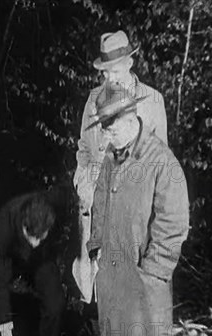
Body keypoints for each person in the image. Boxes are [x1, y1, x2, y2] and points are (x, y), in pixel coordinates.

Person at [86, 84, 189, 336]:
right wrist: (95, 245)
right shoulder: (111, 158)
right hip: (112, 270)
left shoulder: (161, 161)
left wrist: (154, 271)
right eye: (102, 128)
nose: (106, 134)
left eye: (111, 126)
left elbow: (174, 221)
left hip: (143, 275)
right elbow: (100, 200)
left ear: (131, 117)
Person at [73, 30, 168, 309]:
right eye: (104, 73)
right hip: (95, 201)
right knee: (93, 275)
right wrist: (83, 182)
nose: (109, 78)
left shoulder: (151, 101)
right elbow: (83, 147)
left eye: (114, 70)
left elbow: (160, 160)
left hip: (131, 203)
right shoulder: (93, 100)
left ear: (129, 63)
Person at [0, 192, 65, 336]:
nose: (36, 242)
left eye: (41, 236)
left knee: (55, 303)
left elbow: (50, 245)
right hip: (10, 254)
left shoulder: (52, 215)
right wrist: (7, 335)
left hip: (42, 258)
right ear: (23, 224)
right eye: (32, 236)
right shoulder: (6, 222)